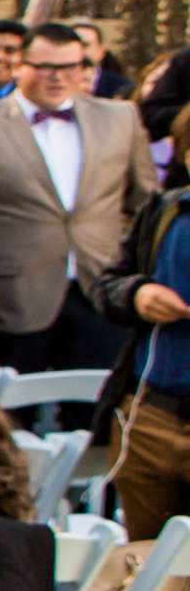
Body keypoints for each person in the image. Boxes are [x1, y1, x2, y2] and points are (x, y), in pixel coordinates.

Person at [0, 22, 157, 375]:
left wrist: (133, 272)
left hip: (100, 288)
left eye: (70, 67)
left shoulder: (121, 118)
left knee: (93, 410)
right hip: (10, 296)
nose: (58, 77)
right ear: (19, 65)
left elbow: (145, 203)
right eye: (45, 67)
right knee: (11, 412)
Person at [89, 170, 190, 538]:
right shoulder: (164, 209)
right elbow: (106, 286)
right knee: (147, 570)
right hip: (151, 419)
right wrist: (138, 294)